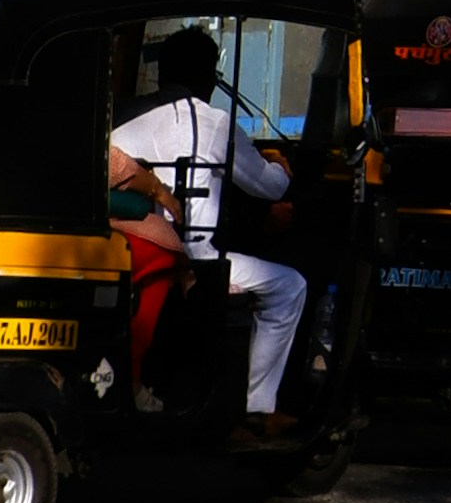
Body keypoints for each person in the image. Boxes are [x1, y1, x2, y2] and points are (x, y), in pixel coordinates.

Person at [109, 28, 307, 418]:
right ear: (209, 78)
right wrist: (281, 167)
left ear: (162, 72)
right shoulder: (216, 124)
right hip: (199, 260)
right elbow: (269, 188)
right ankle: (256, 409)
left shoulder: (126, 116)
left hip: (127, 249)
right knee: (291, 286)